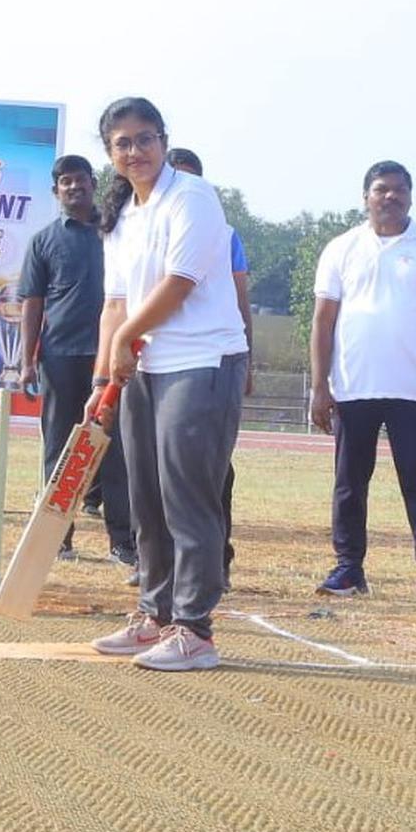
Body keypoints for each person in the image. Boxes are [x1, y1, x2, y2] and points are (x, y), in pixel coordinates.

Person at [87, 98, 248, 671]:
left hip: (202, 361)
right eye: (123, 143)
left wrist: (129, 334)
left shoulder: (194, 198)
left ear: (164, 139)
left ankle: (194, 630)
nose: (137, 152)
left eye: (146, 139)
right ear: (110, 152)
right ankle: (153, 615)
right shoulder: (123, 215)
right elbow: (114, 303)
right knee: (144, 498)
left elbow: (179, 285)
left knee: (187, 496)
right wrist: (103, 376)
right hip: (145, 369)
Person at [310, 161, 416, 602]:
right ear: (366, 197)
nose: (390, 197)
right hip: (353, 386)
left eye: (399, 190)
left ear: (411, 196)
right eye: (381, 190)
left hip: (413, 390)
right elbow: (323, 320)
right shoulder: (341, 248)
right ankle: (348, 568)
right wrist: (321, 386)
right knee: (349, 482)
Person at [17, 154, 135, 571]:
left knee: (118, 449)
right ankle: (58, 539)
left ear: (92, 183)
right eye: (65, 182)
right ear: (56, 191)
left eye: (80, 180)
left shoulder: (119, 229)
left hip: (114, 357)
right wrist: (27, 360)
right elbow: (31, 303)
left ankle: (124, 542)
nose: (74, 187)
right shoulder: (43, 240)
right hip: (60, 356)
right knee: (60, 449)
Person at [167, 146, 254, 589]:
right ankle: (162, 566)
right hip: (159, 363)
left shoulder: (225, 232)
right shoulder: (143, 224)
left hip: (211, 358)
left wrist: (248, 357)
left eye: (190, 180)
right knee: (162, 472)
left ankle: (217, 560)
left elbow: (240, 299)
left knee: (212, 468)